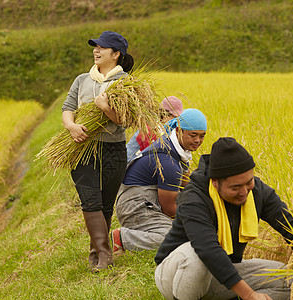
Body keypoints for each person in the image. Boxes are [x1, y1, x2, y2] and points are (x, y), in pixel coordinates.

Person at [154, 137, 293, 300]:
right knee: (195, 256)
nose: (244, 191)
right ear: (215, 183)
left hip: (223, 271)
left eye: (249, 182)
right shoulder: (194, 198)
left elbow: (290, 226)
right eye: (235, 187)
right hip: (177, 275)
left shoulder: (256, 191)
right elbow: (208, 250)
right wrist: (249, 294)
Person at [61, 31, 134, 272]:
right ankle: (105, 256)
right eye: (95, 46)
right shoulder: (82, 79)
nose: (96, 50)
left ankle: (96, 252)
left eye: (103, 47)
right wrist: (71, 126)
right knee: (89, 200)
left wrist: (106, 108)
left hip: (113, 149)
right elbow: (68, 108)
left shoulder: (126, 83)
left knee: (104, 204)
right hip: (82, 148)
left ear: (116, 55)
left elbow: (126, 121)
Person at [111, 108, 207, 253]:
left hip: (147, 199)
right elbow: (168, 209)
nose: (197, 140)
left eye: (202, 136)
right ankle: (122, 237)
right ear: (179, 130)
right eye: (193, 135)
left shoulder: (176, 149)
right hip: (134, 206)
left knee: (195, 202)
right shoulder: (168, 162)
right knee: (178, 238)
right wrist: (195, 222)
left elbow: (187, 185)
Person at [126, 96, 184, 163]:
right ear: (164, 115)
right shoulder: (149, 131)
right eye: (174, 117)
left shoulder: (169, 130)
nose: (177, 122)